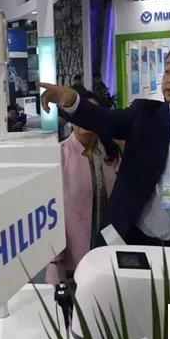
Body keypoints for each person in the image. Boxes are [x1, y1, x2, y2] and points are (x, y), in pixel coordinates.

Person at [39, 41, 170, 268]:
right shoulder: (144, 116)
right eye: (168, 70)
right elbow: (103, 119)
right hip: (140, 247)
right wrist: (72, 101)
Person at [46, 97, 121, 285]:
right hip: (70, 259)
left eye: (90, 114)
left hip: (109, 252)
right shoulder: (58, 155)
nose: (84, 120)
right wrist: (54, 256)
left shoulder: (111, 153)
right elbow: (50, 211)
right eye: (79, 114)